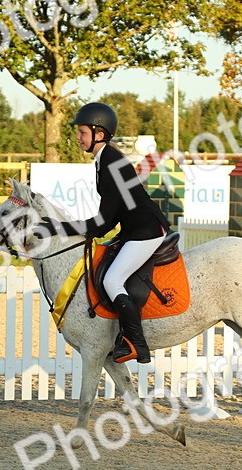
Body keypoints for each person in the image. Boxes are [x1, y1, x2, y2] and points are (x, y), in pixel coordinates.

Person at [40, 102, 171, 364]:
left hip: (146, 230)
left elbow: (101, 225)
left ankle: (136, 343)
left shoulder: (110, 162)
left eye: (82, 132)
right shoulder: (105, 158)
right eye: (77, 132)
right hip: (133, 229)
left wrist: (58, 228)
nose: (77, 137)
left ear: (99, 134)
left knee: (112, 280)